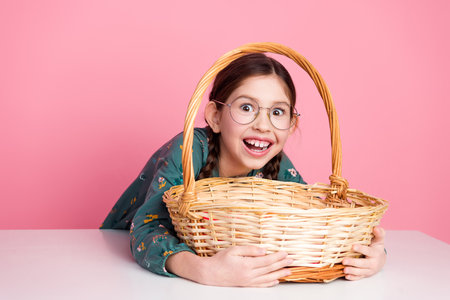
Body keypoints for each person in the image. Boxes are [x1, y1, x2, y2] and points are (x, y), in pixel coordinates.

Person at [101, 53, 386, 287]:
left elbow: (309, 222)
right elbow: (147, 227)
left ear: (291, 125)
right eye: (247, 108)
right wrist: (204, 270)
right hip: (117, 262)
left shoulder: (276, 164)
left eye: (277, 112)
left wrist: (373, 253)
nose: (263, 125)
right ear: (215, 117)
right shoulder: (189, 150)